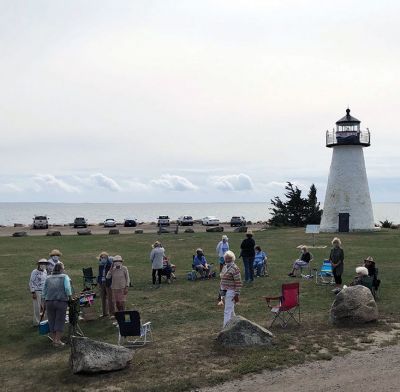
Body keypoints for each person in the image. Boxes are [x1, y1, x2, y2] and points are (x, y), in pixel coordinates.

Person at [43, 262, 72, 347]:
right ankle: (57, 340)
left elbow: (44, 290)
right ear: (61, 269)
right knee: (60, 320)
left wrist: (44, 299)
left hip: (49, 301)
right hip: (61, 301)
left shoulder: (48, 278)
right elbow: (67, 288)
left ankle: (54, 339)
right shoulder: (64, 277)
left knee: (51, 320)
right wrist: (70, 297)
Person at [220, 251, 242, 327]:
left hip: (231, 291)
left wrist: (237, 294)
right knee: (231, 311)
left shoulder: (235, 268)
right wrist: (220, 294)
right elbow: (222, 279)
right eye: (226, 258)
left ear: (233, 259)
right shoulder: (225, 267)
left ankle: (225, 328)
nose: (227, 260)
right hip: (224, 290)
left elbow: (238, 282)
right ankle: (237, 325)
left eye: (229, 259)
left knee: (227, 311)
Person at [29, 258, 49, 326]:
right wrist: (33, 292)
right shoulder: (34, 272)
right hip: (37, 291)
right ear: (39, 264)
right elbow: (31, 282)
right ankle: (36, 322)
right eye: (42, 264)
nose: (44, 265)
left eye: (45, 264)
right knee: (37, 307)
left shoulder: (45, 271)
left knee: (45, 306)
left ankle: (44, 320)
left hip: (44, 291)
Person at [97, 251, 114, 317]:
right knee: (103, 298)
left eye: (104, 257)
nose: (102, 259)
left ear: (107, 258)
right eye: (101, 257)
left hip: (108, 283)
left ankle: (112, 313)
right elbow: (99, 274)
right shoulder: (100, 265)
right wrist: (99, 281)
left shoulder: (110, 265)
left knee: (110, 298)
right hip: (101, 282)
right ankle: (104, 313)